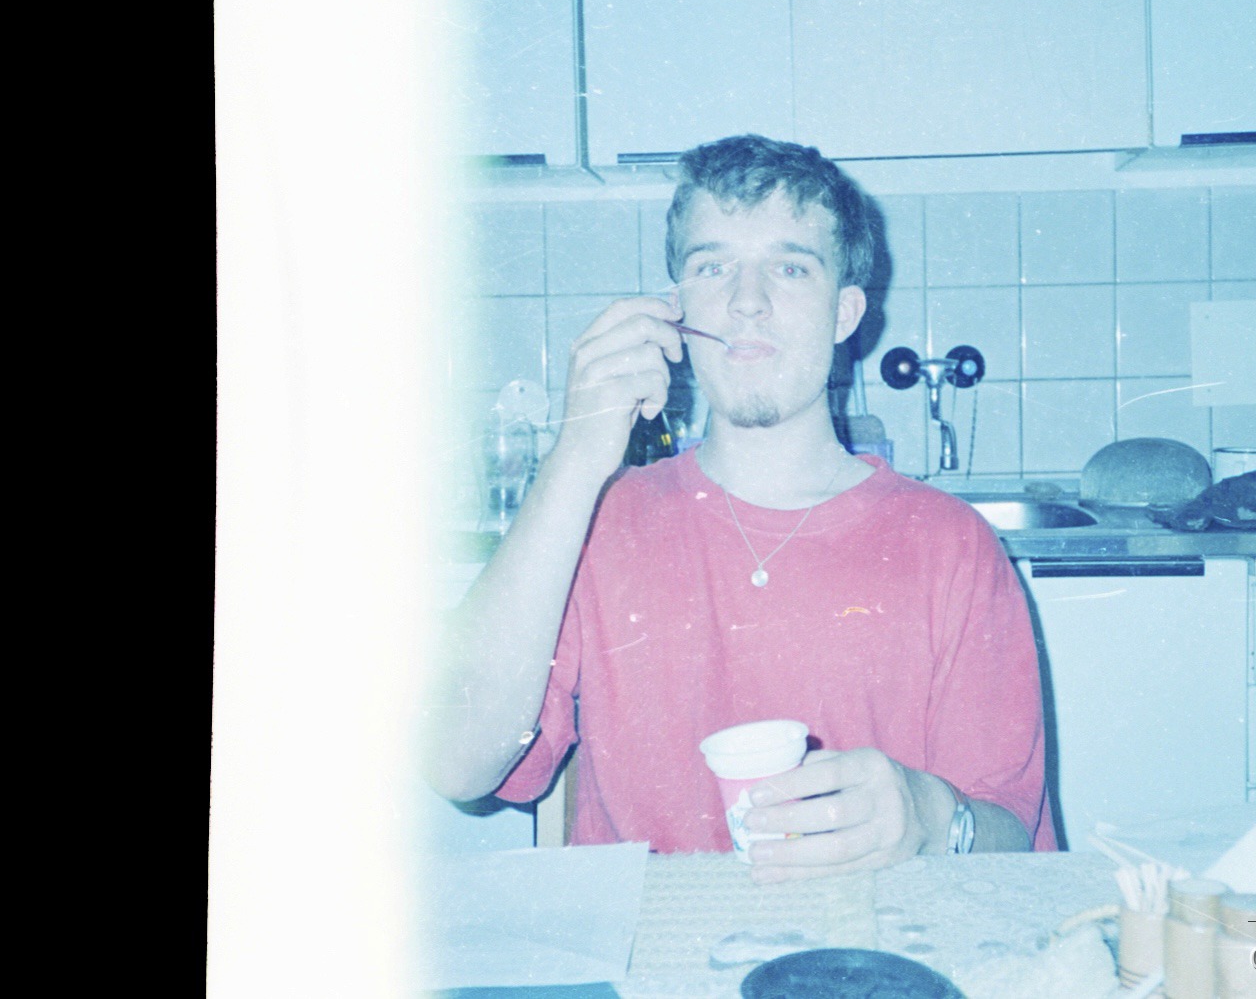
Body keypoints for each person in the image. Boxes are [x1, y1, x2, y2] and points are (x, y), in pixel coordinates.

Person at [426, 134, 1055, 882]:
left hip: (876, 942)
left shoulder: (951, 545)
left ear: (845, 312)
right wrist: (574, 460)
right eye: (713, 266)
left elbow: (1015, 846)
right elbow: (456, 763)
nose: (746, 301)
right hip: (648, 944)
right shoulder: (596, 523)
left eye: (790, 267)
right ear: (677, 309)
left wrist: (929, 815)